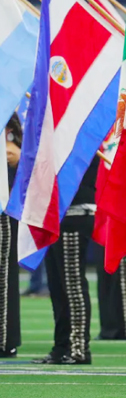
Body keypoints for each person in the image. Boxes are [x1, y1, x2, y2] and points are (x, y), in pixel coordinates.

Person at [32, 157, 100, 365]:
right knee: (57, 285)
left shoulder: (82, 132)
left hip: (75, 212)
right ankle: (61, 346)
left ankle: (79, 348)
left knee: (72, 284)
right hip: (55, 213)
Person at [94, 140, 126, 341]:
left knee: (124, 267)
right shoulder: (104, 132)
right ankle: (109, 325)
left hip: (124, 204)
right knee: (105, 267)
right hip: (103, 204)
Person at [0, 114, 22, 358]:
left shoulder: (16, 128)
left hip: (5, 208)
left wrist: (18, 155)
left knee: (4, 275)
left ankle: (5, 339)